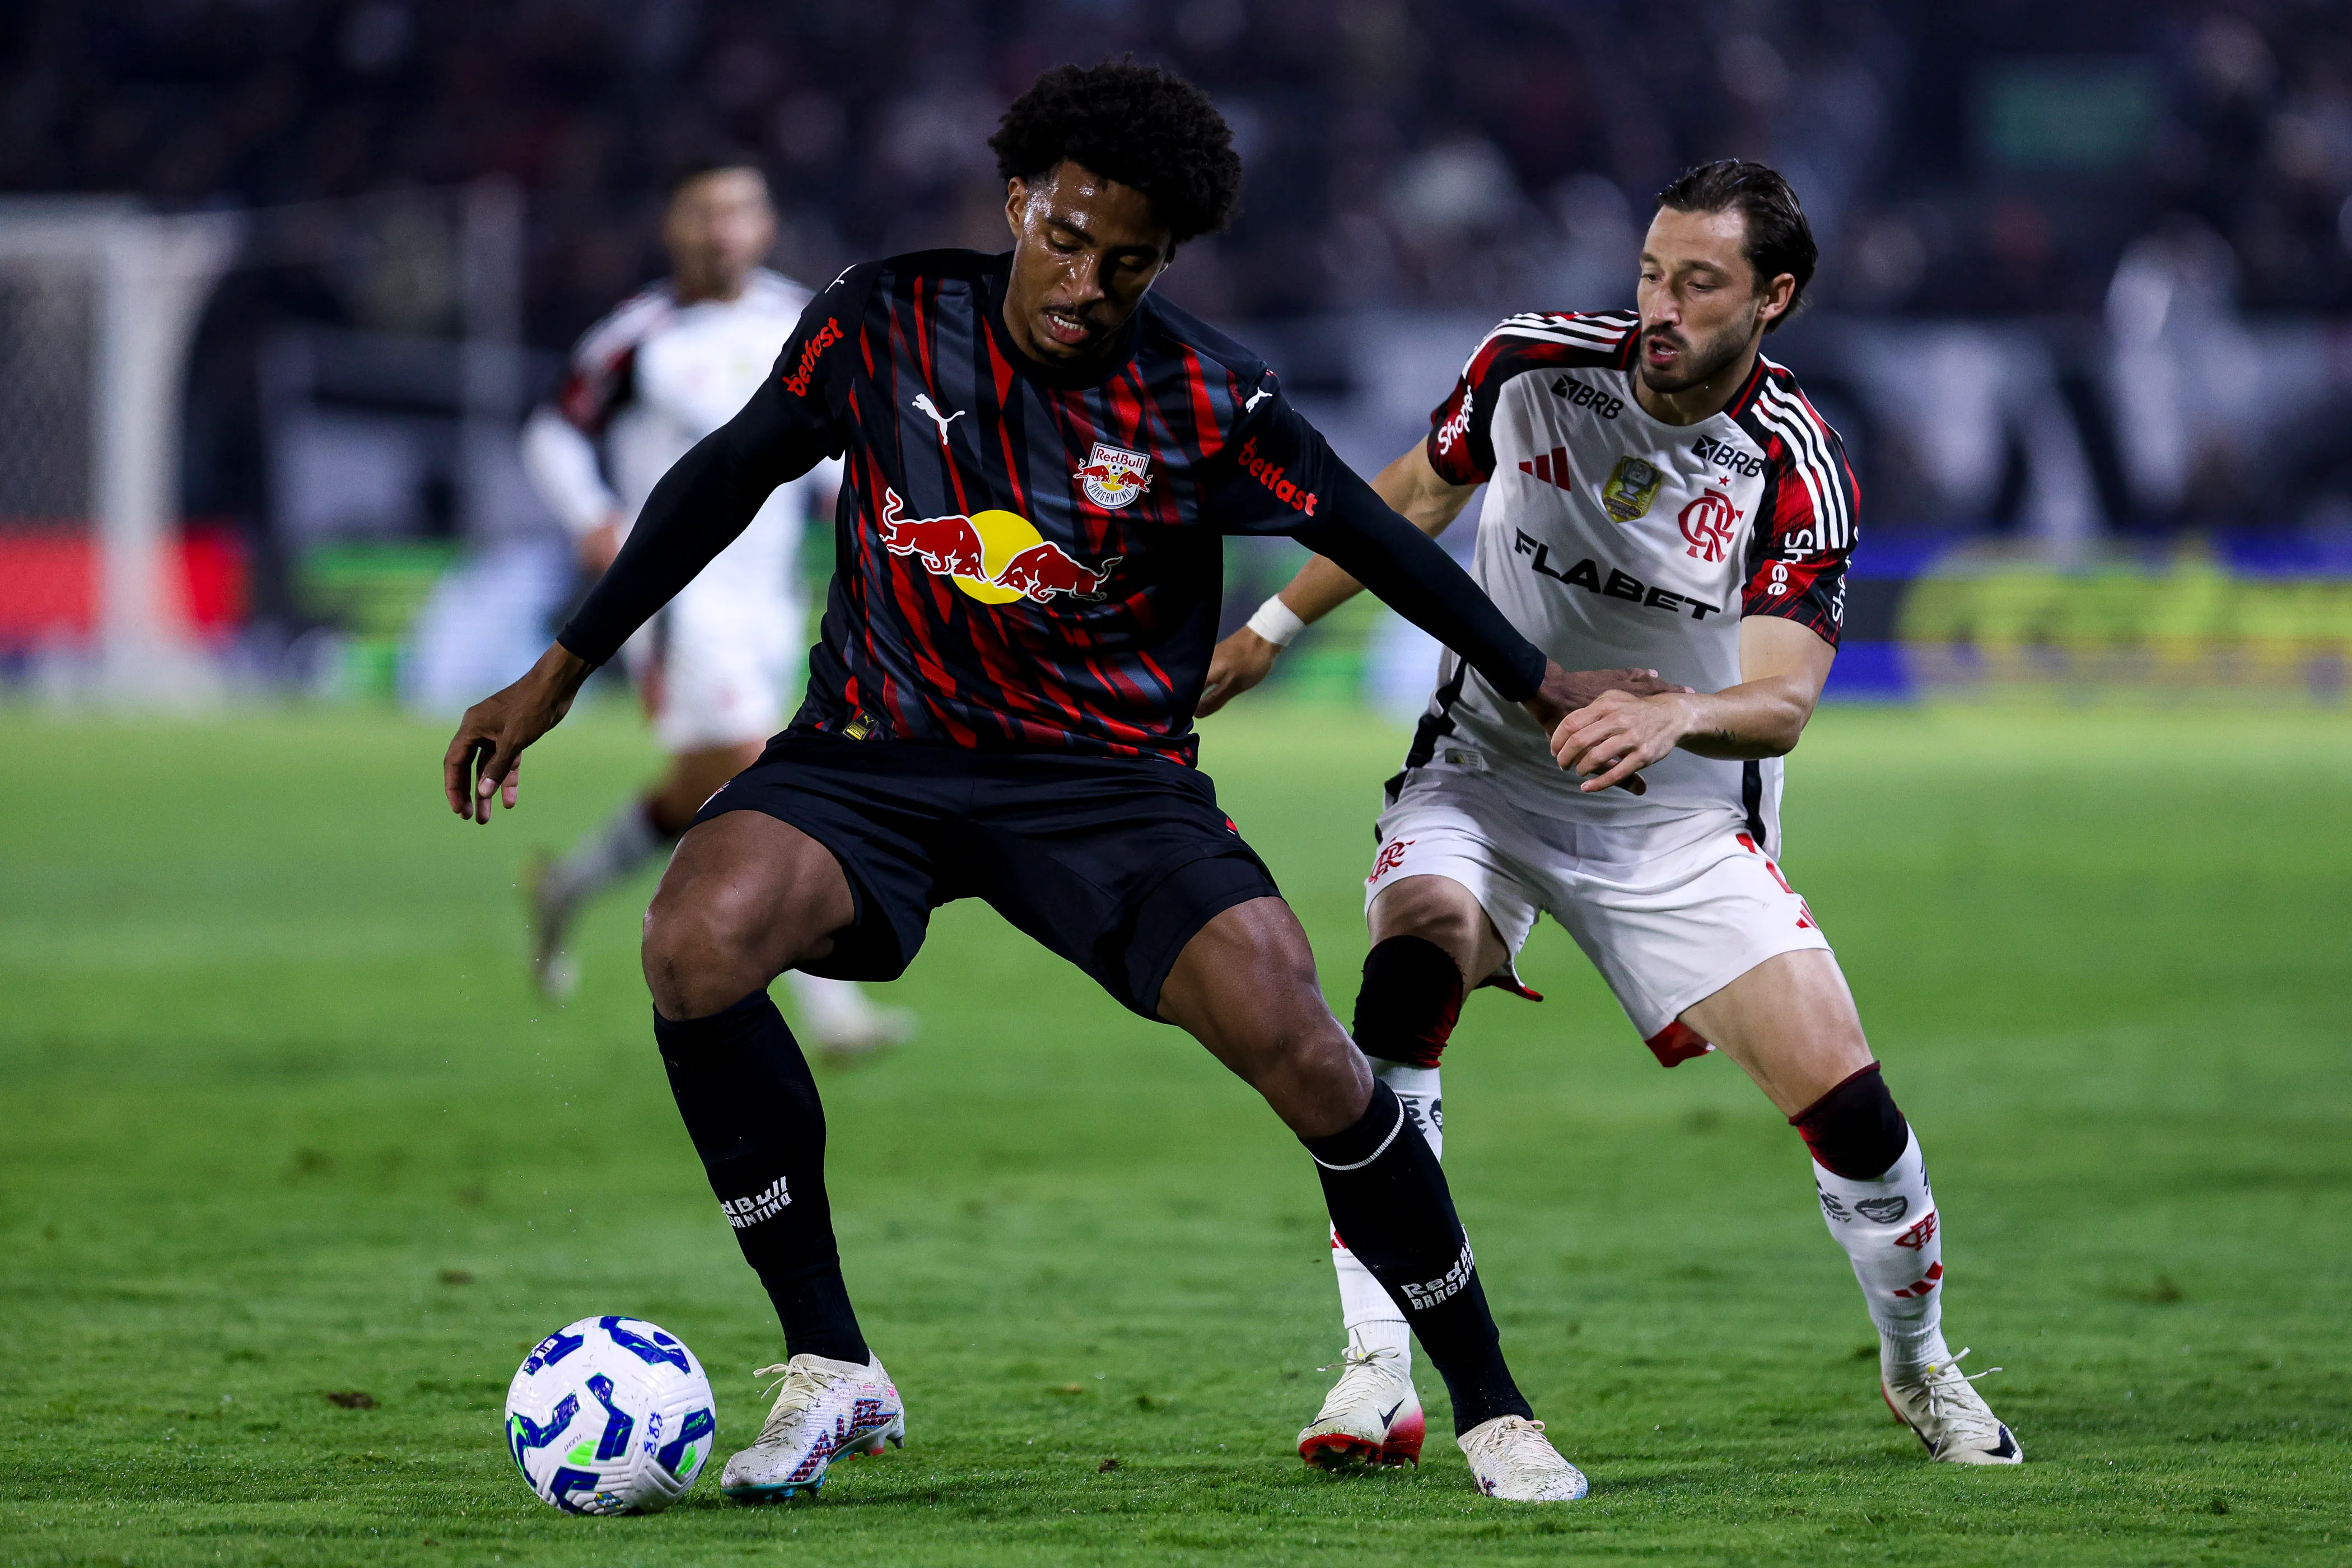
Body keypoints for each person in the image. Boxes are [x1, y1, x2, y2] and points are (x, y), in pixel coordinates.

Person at [445, 61, 1666, 1504]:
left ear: (1168, 257)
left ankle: (1493, 1404)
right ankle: (833, 1363)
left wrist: (1543, 681)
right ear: (1020, 202)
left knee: (1299, 1033)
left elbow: (1380, 535)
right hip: (874, 755)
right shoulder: (880, 317)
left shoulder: (1206, 393)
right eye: (1067, 238)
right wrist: (563, 667)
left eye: (1129, 259)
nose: (1088, 281)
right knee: (693, 938)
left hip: (1104, 781)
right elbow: (727, 472)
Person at [1202, 159, 2023, 1469]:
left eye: (1700, 282)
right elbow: (1412, 493)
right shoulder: (1529, 362)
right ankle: (1375, 1367)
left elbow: (1787, 697)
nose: (1661, 303)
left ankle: (1921, 1366)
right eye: (1651, 271)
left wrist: (1673, 715)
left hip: (1678, 819)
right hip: (1485, 765)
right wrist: (1270, 624)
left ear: (1775, 298)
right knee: (1407, 968)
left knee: (1853, 1109)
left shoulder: (1796, 463)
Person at [516, 158, 915, 1058]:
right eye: (703, 211)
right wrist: (596, 523)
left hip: (770, 597)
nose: (721, 229)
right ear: (673, 227)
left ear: (766, 225)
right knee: (761, 773)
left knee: (705, 786)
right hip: (678, 599)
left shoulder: (799, 319)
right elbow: (550, 431)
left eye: (739, 210)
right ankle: (831, 1011)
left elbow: (843, 440)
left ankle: (569, 887)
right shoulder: (639, 337)